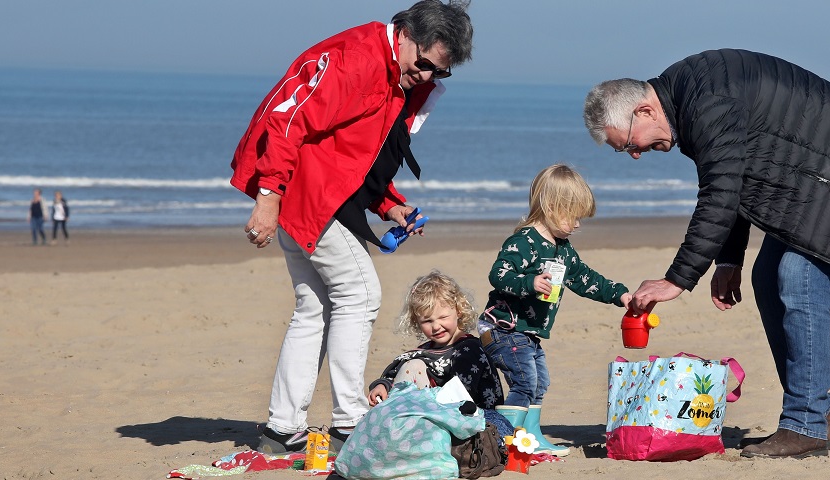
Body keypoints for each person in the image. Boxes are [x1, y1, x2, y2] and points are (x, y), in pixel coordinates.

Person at [582, 49, 830, 460]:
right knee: (767, 276)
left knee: (798, 276)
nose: (635, 154)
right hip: (813, 169)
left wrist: (677, 278)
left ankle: (806, 422)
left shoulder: (704, 102)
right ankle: (816, 416)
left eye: (627, 144)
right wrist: (729, 260)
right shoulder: (687, 100)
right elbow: (734, 178)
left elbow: (720, 191)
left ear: (643, 110)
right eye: (622, 150)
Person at [227, 0, 474, 455]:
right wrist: (268, 195)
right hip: (307, 197)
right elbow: (288, 120)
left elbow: (356, 152)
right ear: (403, 33)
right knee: (360, 294)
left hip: (320, 193)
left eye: (439, 73)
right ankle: (349, 423)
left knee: (314, 307)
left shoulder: (395, 74)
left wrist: (388, 204)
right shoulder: (358, 58)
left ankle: (282, 429)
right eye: (422, 65)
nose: (425, 77)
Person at [479, 164, 633, 457]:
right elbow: (499, 274)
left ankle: (531, 435)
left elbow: (585, 278)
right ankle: (503, 442)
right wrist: (530, 282)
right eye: (573, 216)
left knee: (540, 382)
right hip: (504, 327)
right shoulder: (522, 241)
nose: (577, 224)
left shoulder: (563, 249)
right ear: (551, 207)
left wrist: (619, 294)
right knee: (525, 380)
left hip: (529, 333)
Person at [367, 270, 504, 410]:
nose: (436, 327)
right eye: (427, 321)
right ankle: (396, 418)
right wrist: (383, 385)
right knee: (412, 366)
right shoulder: (426, 350)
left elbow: (459, 396)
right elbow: (396, 373)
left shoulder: (468, 350)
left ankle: (401, 420)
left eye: (443, 317)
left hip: (469, 418)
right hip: (431, 412)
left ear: (458, 311)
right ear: (417, 322)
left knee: (414, 366)